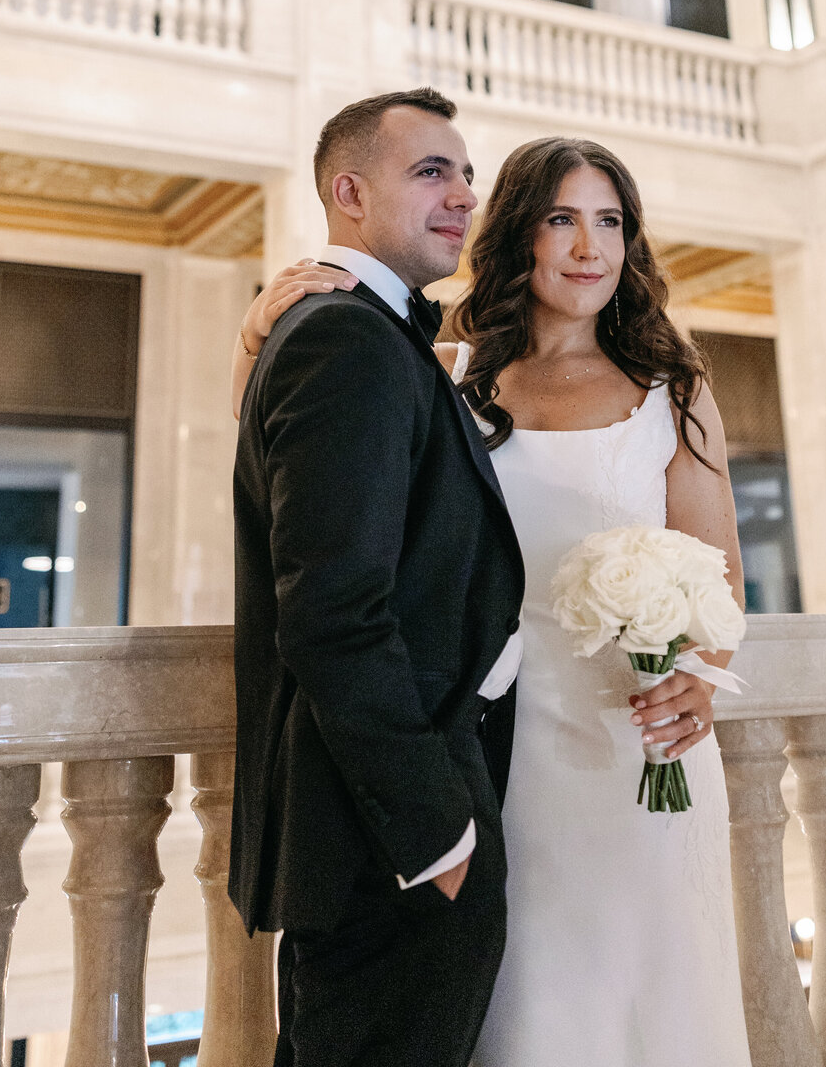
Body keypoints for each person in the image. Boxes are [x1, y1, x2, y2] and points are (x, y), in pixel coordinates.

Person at [236, 130, 752, 1067]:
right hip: (491, 745)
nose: (591, 248)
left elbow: (717, 574)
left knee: (646, 992)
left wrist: (703, 680)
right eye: (562, 220)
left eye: (611, 223)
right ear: (518, 232)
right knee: (517, 1003)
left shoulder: (673, 388)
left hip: (631, 741)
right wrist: (254, 335)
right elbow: (303, 472)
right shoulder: (440, 371)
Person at [228, 86, 525, 1067]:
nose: (463, 196)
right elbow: (334, 615)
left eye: (467, 174)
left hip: (397, 821)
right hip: (386, 834)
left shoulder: (367, 332)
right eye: (431, 171)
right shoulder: (342, 338)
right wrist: (433, 833)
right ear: (348, 191)